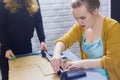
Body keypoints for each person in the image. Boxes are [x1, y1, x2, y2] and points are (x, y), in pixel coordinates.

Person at [50, 0, 120, 80]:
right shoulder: (80, 27)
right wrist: (56, 54)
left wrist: (82, 63)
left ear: (95, 11)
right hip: (89, 75)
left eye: (82, 18)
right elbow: (63, 41)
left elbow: (112, 60)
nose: (79, 22)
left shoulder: (113, 27)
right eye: (76, 19)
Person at [0, 0, 47, 80]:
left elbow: (38, 21)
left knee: (26, 76)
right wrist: (7, 48)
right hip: (9, 51)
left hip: (26, 47)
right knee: (9, 77)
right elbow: (1, 28)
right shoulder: (3, 3)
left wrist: (42, 40)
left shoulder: (34, 1)